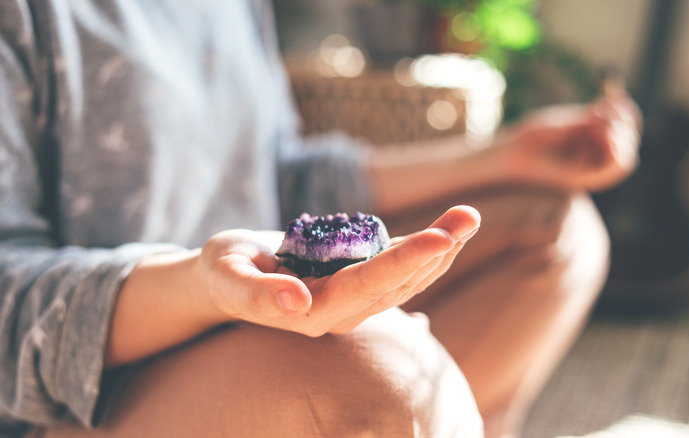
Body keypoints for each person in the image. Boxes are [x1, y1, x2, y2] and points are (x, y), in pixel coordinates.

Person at [0, 1, 640, 437]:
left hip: (243, 294)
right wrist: (201, 286)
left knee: (556, 228)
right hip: (75, 391)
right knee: (385, 383)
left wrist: (507, 154)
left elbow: (277, 173)